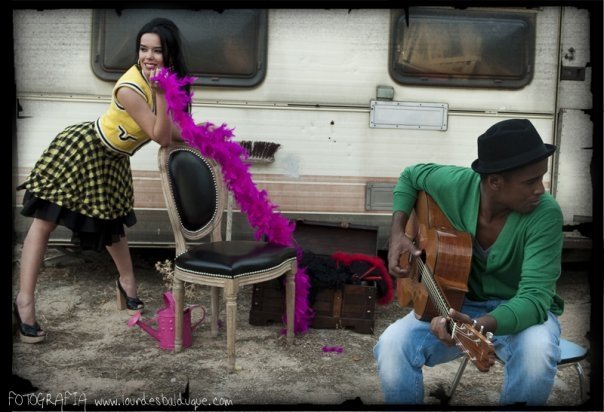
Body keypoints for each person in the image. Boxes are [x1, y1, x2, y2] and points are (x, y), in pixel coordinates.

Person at [14, 18, 190, 343]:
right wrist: (161, 95)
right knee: (44, 222)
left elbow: (176, 129)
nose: (148, 56)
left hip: (113, 160)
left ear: (170, 54)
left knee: (112, 225)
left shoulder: (167, 83)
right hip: (84, 149)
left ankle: (127, 285)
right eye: (143, 49)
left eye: (157, 50)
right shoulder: (130, 88)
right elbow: (161, 136)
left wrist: (202, 136)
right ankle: (24, 302)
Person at [374, 119, 564, 405]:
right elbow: (410, 175)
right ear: (494, 181)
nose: (540, 189)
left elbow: (535, 298)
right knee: (392, 344)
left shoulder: (545, 213)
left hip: (522, 311)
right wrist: (398, 234)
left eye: (542, 178)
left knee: (537, 355)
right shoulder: (456, 184)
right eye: (530, 181)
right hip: (460, 304)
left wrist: (477, 325)